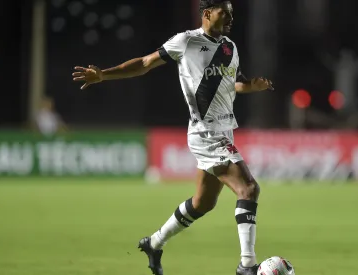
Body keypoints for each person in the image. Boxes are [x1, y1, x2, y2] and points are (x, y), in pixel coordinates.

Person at [72, 1, 273, 274]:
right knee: (248, 189)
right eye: (224, 12)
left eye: (232, 13)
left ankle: (154, 243)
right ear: (207, 14)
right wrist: (103, 75)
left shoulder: (229, 47)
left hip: (224, 131)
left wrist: (251, 86)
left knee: (203, 203)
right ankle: (247, 266)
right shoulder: (186, 41)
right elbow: (144, 63)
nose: (230, 18)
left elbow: (232, 84)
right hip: (205, 133)